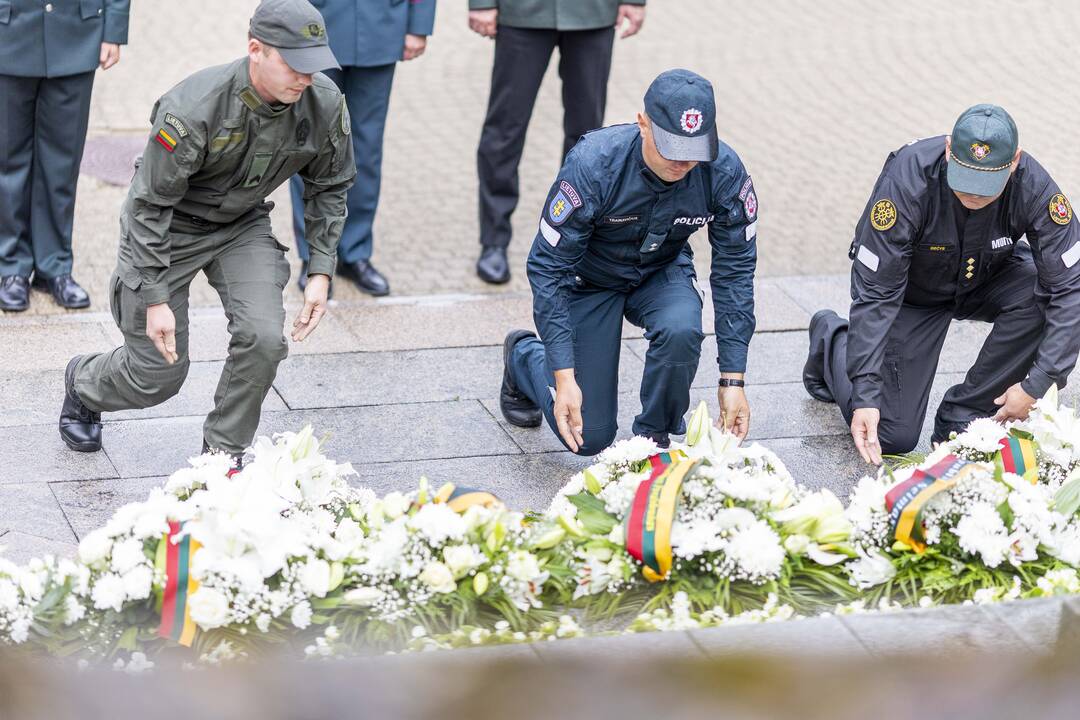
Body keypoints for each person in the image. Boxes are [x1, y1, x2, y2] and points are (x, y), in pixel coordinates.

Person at [58, 0, 356, 463]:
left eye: (314, 65)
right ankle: (83, 382)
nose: (305, 77)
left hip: (241, 225)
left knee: (264, 339)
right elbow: (148, 205)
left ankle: (222, 453)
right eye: (295, 65)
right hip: (168, 227)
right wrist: (155, 298)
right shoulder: (193, 107)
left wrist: (320, 268)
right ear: (256, 50)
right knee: (156, 377)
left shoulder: (323, 103)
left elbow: (330, 185)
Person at [803, 104, 1080, 465]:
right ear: (949, 149)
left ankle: (964, 413)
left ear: (1014, 162)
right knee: (890, 434)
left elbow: (1070, 286)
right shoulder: (907, 180)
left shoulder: (1034, 185)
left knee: (1041, 291)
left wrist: (1038, 385)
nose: (975, 196)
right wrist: (866, 395)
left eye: (987, 186)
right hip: (913, 294)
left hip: (988, 275)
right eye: (965, 179)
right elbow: (876, 293)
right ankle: (834, 338)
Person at [499, 69, 757, 456]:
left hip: (661, 270)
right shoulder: (593, 165)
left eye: (695, 150)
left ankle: (654, 438)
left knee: (682, 328)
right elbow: (547, 267)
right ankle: (523, 356)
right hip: (589, 279)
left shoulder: (723, 172)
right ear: (643, 124)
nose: (683, 162)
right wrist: (563, 374)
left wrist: (733, 380)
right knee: (588, 438)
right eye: (671, 147)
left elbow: (735, 269)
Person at [469, 0, 646, 285]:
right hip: (521, 14)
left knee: (587, 136)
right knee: (504, 130)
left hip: (593, 14)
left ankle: (575, 238)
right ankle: (494, 239)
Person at [288, 0, 436, 297]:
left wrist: (419, 23)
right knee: (309, 147)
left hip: (381, 24)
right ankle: (314, 255)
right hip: (316, 25)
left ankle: (355, 252)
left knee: (366, 151)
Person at [0, 0, 129, 312]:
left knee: (61, 163)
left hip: (76, 33)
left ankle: (54, 265)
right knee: (8, 161)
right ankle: (11, 266)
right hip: (8, 29)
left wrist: (114, 28)